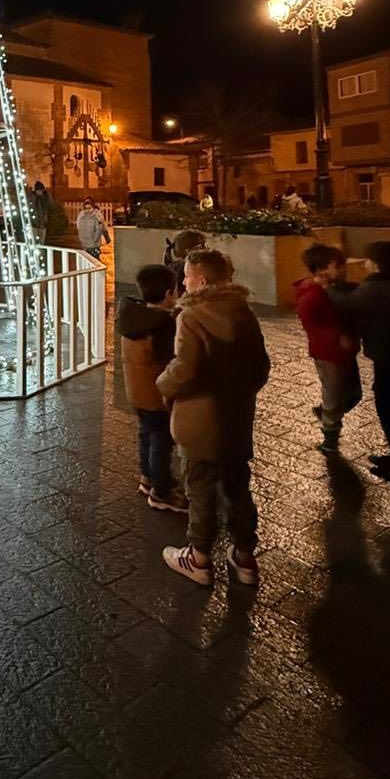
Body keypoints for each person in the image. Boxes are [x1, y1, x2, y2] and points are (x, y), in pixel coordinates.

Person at [158, 249, 270, 587]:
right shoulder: (243, 313)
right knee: (237, 487)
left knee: (200, 488)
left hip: (200, 419)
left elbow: (185, 369)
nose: (184, 281)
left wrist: (163, 383)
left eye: (188, 276)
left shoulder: (191, 317)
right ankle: (245, 555)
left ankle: (199, 557)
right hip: (236, 416)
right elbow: (260, 367)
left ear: (202, 280)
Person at [327, 240, 390, 492]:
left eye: (369, 259)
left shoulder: (375, 290)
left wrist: (328, 286)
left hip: (389, 358)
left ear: (377, 263)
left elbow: (346, 301)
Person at [118, 263, 187, 512]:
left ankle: (147, 478)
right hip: (157, 394)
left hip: (137, 391)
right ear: (170, 293)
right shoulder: (162, 325)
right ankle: (161, 491)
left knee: (146, 434)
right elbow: (171, 360)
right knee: (161, 441)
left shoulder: (132, 315)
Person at [293, 244, 361, 453]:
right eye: (337, 265)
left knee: (353, 394)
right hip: (328, 352)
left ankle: (326, 413)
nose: (343, 269)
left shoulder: (337, 289)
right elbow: (312, 325)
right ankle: (330, 435)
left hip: (345, 350)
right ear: (321, 270)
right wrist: (338, 338)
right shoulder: (311, 295)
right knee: (333, 393)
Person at [163, 228, 206, 295]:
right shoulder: (184, 269)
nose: (206, 249)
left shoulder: (173, 266)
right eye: (202, 245)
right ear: (188, 251)